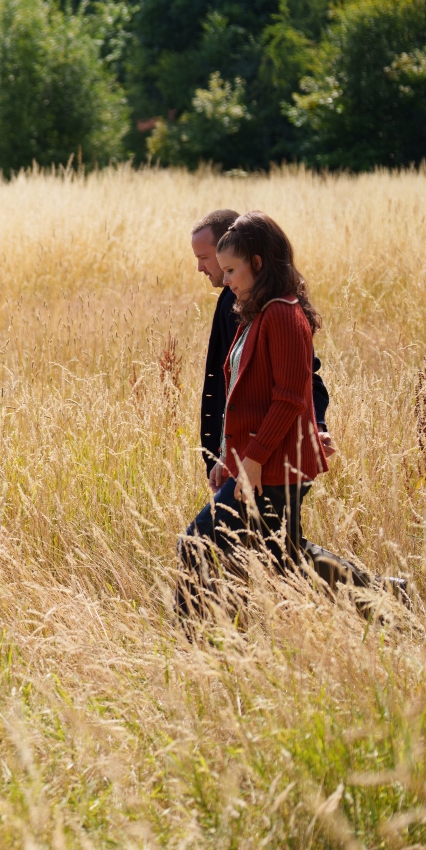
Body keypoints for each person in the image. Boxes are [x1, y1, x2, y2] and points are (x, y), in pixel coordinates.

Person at [176, 212, 331, 618]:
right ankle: (386, 597)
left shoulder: (282, 314)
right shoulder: (257, 313)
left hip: (273, 467)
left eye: (231, 269)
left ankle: (197, 640)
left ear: (258, 263)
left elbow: (289, 398)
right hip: (258, 464)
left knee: (196, 544)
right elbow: (244, 399)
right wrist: (229, 458)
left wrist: (252, 460)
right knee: (287, 561)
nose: (225, 280)